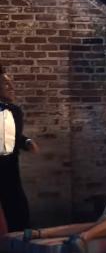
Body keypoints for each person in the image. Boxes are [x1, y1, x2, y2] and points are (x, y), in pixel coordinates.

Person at [0, 71, 38, 232]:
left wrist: (26, 142)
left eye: (11, 83)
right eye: (6, 84)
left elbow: (12, 136)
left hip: (10, 167)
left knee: (18, 209)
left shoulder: (15, 111)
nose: (12, 87)